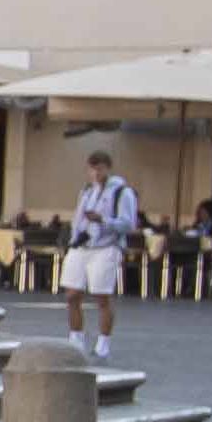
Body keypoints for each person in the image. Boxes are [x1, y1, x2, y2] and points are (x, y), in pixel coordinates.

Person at [55, 149, 136, 357]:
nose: (96, 173)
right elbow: (78, 216)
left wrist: (103, 220)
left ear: (108, 168)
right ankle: (76, 337)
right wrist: (74, 237)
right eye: (92, 169)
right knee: (72, 294)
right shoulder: (86, 191)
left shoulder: (122, 192)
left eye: (100, 168)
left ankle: (103, 341)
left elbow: (128, 224)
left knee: (102, 296)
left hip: (106, 246)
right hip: (82, 245)